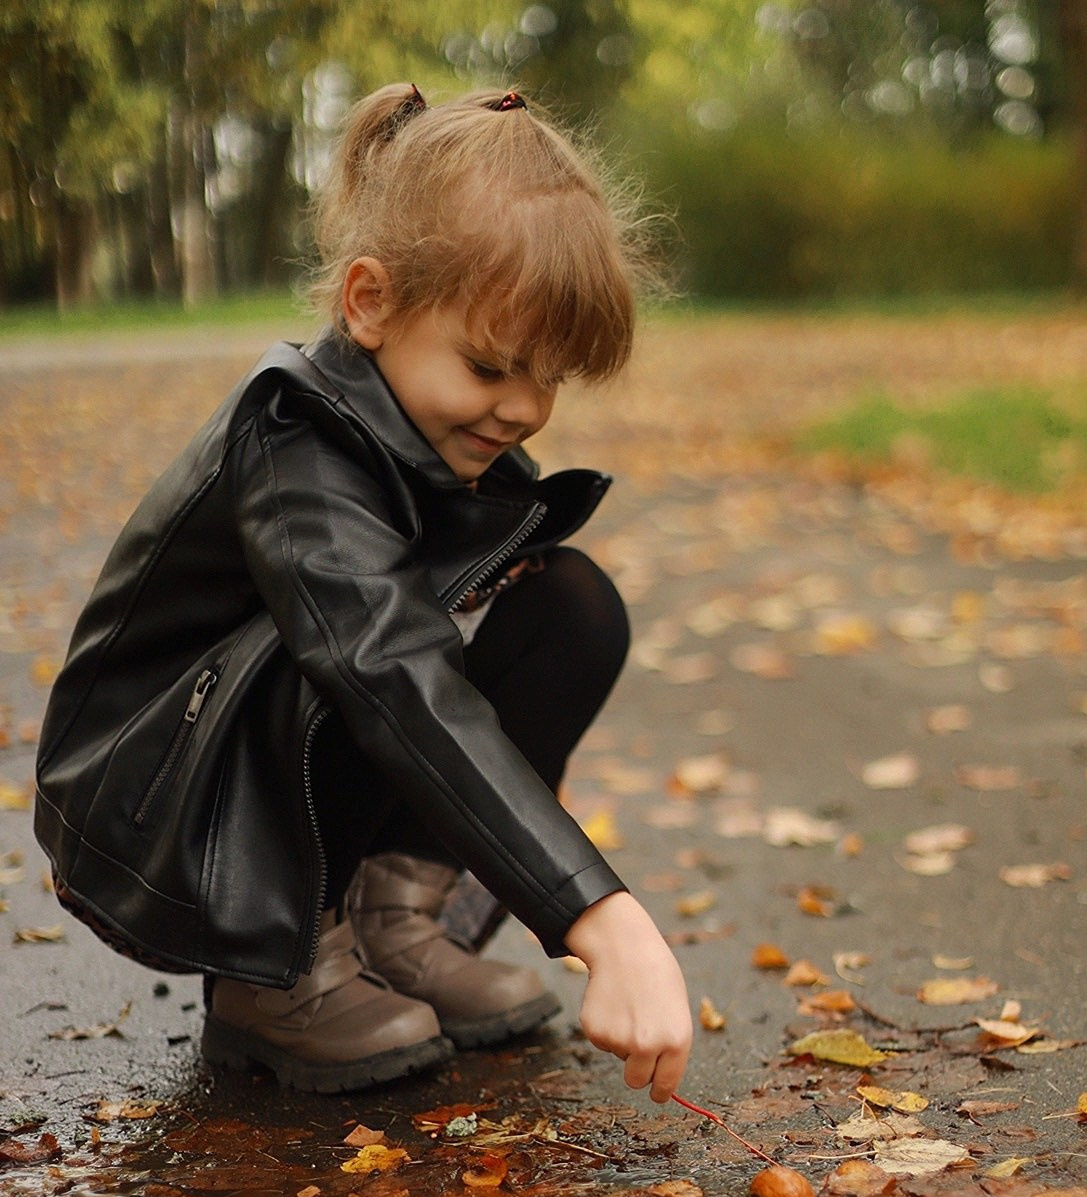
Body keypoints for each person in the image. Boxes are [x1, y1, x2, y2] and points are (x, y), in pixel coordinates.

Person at [34, 84, 692, 1102]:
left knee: (566, 603)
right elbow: (390, 674)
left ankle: (392, 927)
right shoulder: (296, 442)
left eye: (548, 377)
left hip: (253, 755)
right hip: (158, 809)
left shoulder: (436, 429)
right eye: (488, 366)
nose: (522, 409)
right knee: (361, 653)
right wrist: (601, 918)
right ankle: (278, 970)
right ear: (369, 302)